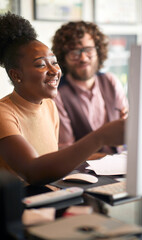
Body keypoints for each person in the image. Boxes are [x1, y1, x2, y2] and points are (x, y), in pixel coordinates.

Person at [0, 12, 125, 185]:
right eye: (41, 64)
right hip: (20, 206)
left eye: (54, 62)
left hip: (51, 195)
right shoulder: (3, 113)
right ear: (16, 75)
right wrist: (100, 137)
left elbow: (53, 161)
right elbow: (33, 171)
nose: (54, 70)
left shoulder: (49, 105)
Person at [52, 21, 128, 153]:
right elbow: (66, 150)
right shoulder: (57, 94)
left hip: (119, 163)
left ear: (98, 50)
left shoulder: (111, 81)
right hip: (83, 170)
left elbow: (126, 133)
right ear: (63, 58)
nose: (83, 58)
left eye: (88, 50)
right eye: (74, 52)